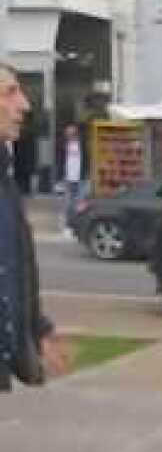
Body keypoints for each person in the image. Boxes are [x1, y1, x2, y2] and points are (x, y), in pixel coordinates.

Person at [0, 63, 70, 392]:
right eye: (10, 93)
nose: (24, 105)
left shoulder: (6, 182)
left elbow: (16, 266)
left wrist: (37, 328)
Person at [57, 122, 87, 234]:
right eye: (68, 133)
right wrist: (60, 178)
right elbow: (60, 162)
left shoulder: (82, 145)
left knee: (79, 204)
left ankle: (76, 226)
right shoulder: (63, 146)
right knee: (67, 204)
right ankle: (66, 226)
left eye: (72, 132)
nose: (70, 135)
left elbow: (87, 160)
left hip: (80, 178)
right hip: (68, 179)